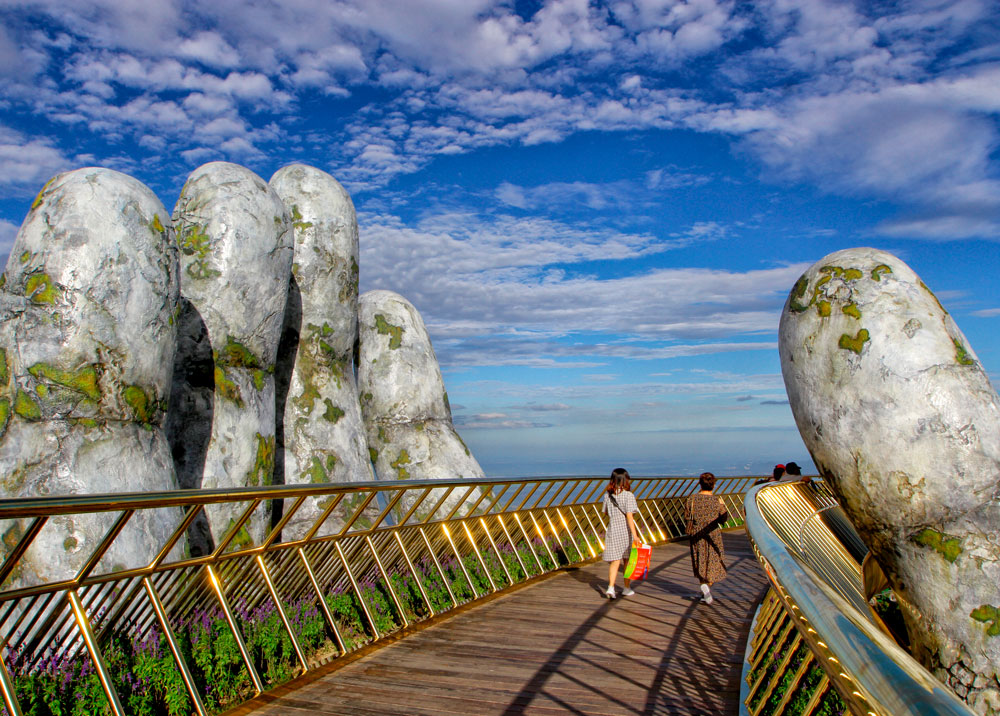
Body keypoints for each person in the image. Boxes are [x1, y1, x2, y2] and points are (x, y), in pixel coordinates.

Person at [685, 472, 728, 604]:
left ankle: (704, 590)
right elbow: (723, 519)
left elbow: (687, 517)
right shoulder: (716, 501)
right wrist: (722, 505)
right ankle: (706, 586)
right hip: (713, 534)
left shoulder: (691, 499)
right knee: (714, 561)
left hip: (696, 534)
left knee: (700, 560)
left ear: (700, 484)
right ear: (713, 485)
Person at [601, 467, 641, 600]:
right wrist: (635, 536)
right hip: (625, 531)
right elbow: (630, 517)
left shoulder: (607, 495)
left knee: (615, 561)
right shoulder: (629, 496)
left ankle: (611, 587)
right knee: (627, 560)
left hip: (613, 530)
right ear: (625, 480)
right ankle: (626, 588)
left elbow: (606, 512)